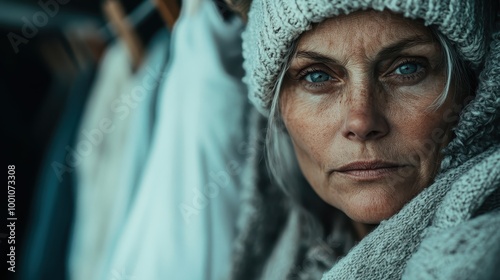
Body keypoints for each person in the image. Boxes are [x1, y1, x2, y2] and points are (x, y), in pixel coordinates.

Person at [228, 0, 500, 279]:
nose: (361, 122)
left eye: (407, 69)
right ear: (278, 112)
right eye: (317, 75)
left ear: (477, 92)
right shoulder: (286, 255)